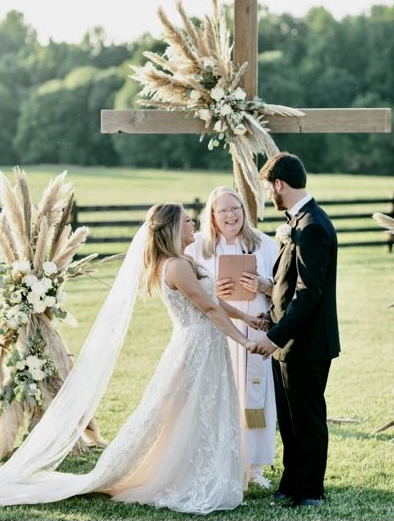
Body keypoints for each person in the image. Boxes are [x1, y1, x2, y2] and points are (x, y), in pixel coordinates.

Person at [0, 202, 263, 515]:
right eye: (187, 221)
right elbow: (207, 309)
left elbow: (212, 300)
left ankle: (200, 469)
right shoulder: (176, 266)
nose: (193, 224)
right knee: (182, 412)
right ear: (173, 229)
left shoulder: (181, 261)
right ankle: (181, 474)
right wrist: (245, 341)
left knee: (196, 410)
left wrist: (247, 321)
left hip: (207, 346)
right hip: (196, 348)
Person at [254, 152, 341, 507]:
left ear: (279, 184)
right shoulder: (298, 221)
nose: (268, 196)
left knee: (307, 419)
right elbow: (286, 285)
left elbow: (309, 293)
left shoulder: (313, 226)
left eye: (268, 189)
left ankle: (310, 491)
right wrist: (270, 319)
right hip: (288, 341)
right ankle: (291, 483)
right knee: (289, 420)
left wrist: (273, 336)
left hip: (307, 344)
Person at [186, 186, 278, 488]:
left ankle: (254, 467)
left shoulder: (265, 244)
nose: (231, 215)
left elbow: (284, 285)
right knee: (223, 398)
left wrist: (264, 285)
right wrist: (215, 293)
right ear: (211, 215)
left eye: (235, 208)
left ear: (244, 211)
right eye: (223, 210)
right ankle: (221, 463)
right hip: (219, 334)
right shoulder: (198, 248)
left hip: (256, 332)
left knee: (255, 399)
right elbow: (189, 292)